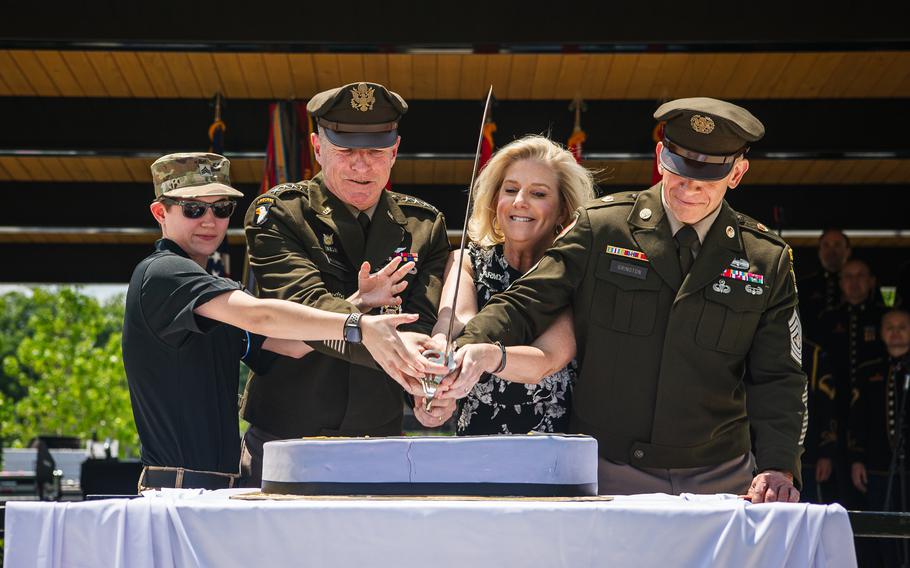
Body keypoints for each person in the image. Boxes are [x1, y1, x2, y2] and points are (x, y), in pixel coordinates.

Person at [456, 98, 806, 502]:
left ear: (737, 173)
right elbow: (527, 300)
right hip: (610, 470)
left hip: (720, 475)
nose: (689, 189)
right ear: (660, 156)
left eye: (706, 179)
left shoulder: (765, 259)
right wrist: (467, 346)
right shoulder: (603, 227)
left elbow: (780, 376)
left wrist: (779, 465)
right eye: (680, 172)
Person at [122, 153, 431, 491]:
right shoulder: (165, 272)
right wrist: (356, 323)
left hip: (215, 488)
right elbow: (260, 315)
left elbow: (293, 345)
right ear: (160, 212)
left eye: (222, 208)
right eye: (194, 209)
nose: (210, 221)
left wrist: (357, 302)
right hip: (177, 488)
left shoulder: (208, 297)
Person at [240, 82, 453, 486]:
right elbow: (302, 306)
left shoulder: (425, 226)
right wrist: (375, 329)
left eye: (375, 151)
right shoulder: (280, 214)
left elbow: (422, 325)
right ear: (318, 148)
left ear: (394, 151)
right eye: (346, 151)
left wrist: (427, 388)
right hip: (287, 439)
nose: (361, 166)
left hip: (381, 442)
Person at [425, 136, 594, 434]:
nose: (520, 202)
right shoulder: (465, 259)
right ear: (494, 200)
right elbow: (454, 320)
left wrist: (487, 355)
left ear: (563, 211)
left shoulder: (576, 272)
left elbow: (548, 359)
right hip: (475, 451)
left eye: (538, 193)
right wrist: (438, 357)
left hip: (552, 453)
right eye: (511, 189)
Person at [817, 258, 888, 505]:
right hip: (835, 405)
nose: (854, 282)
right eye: (848, 276)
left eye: (860, 276)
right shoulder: (827, 319)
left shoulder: (884, 317)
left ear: (871, 282)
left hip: (873, 407)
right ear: (840, 282)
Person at [848, 309, 910, 566]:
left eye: (902, 327)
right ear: (881, 332)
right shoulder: (868, 369)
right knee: (882, 530)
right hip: (878, 466)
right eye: (890, 327)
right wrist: (857, 459)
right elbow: (857, 420)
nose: (896, 333)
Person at [799, 228, 851, 340]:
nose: (831, 251)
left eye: (837, 245)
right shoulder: (804, 286)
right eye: (826, 245)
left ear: (847, 251)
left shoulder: (860, 285)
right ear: (819, 251)